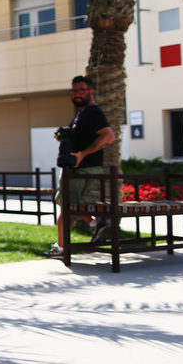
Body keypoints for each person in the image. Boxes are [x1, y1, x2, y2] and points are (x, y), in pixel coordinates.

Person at [47, 75, 116, 256]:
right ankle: (93, 225)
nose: (77, 94)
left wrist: (82, 155)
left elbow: (108, 136)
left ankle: (62, 247)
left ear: (91, 92)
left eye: (81, 90)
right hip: (79, 167)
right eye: (74, 91)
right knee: (67, 204)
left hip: (81, 168)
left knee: (67, 205)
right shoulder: (82, 114)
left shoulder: (93, 112)